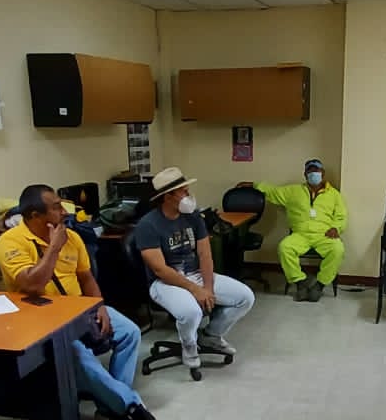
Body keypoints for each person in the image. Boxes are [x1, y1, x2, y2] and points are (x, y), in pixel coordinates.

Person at [0, 183, 158, 420]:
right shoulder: (10, 241)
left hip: (79, 310)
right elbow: (32, 284)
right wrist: (53, 248)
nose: (64, 212)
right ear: (35, 216)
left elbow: (86, 278)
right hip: (41, 320)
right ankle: (127, 404)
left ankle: (109, 406)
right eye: (56, 207)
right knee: (80, 355)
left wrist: (99, 306)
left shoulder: (73, 237)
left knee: (129, 332)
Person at [134, 166, 256, 370]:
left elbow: (205, 254)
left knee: (245, 298)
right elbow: (161, 270)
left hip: (196, 275)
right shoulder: (148, 225)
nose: (188, 195)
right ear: (168, 196)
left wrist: (207, 287)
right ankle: (189, 346)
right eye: (183, 191)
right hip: (165, 283)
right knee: (191, 312)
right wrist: (195, 290)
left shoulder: (193, 217)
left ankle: (211, 335)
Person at [244, 157, 346, 302]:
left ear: (323, 173)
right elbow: (272, 191)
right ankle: (300, 283)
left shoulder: (334, 194)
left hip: (324, 235)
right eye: (310, 171)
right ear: (305, 174)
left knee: (338, 249)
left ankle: (320, 285)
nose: (313, 173)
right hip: (300, 235)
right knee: (284, 247)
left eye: (316, 170)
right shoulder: (293, 191)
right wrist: (253, 185)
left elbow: (341, 215)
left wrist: (336, 228)